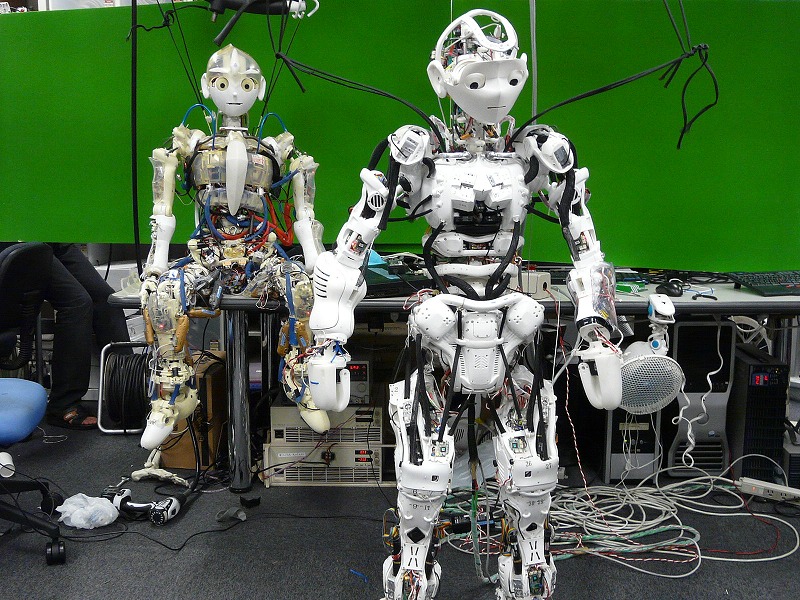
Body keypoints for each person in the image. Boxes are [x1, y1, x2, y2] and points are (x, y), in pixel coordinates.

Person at [0, 242, 131, 429]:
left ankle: (128, 394)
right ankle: (63, 404)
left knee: (106, 300)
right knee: (77, 303)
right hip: (18, 237)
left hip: (50, 235)